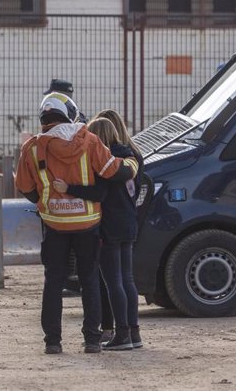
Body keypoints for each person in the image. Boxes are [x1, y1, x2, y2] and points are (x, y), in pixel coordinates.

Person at [15, 92, 138, 355]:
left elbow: (24, 186)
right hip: (88, 224)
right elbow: (113, 171)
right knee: (90, 280)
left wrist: (45, 202)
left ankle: (53, 342)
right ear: (71, 112)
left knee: (53, 282)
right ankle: (92, 341)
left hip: (54, 224)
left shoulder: (33, 147)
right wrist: (132, 164)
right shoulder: (90, 140)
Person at [54, 114, 144, 351]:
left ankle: (122, 333)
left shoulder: (106, 161)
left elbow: (98, 194)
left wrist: (68, 188)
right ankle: (134, 333)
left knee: (113, 281)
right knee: (128, 279)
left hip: (109, 227)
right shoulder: (130, 156)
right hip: (129, 223)